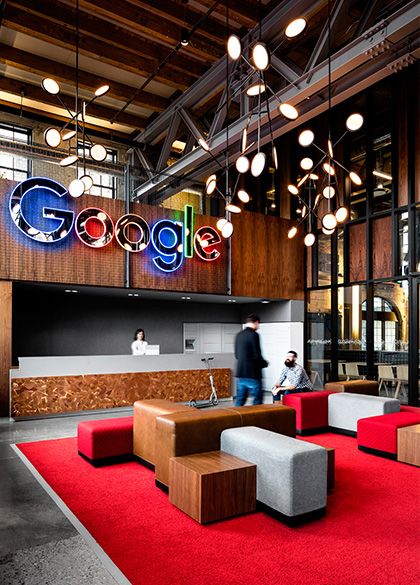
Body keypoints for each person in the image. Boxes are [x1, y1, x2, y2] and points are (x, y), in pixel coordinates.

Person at [234, 314, 268, 406]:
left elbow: (237, 355)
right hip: (253, 374)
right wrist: (264, 363)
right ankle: (256, 420)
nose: (258, 326)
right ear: (256, 322)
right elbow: (257, 354)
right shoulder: (254, 335)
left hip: (241, 373)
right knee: (257, 401)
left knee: (240, 401)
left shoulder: (239, 335)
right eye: (258, 324)